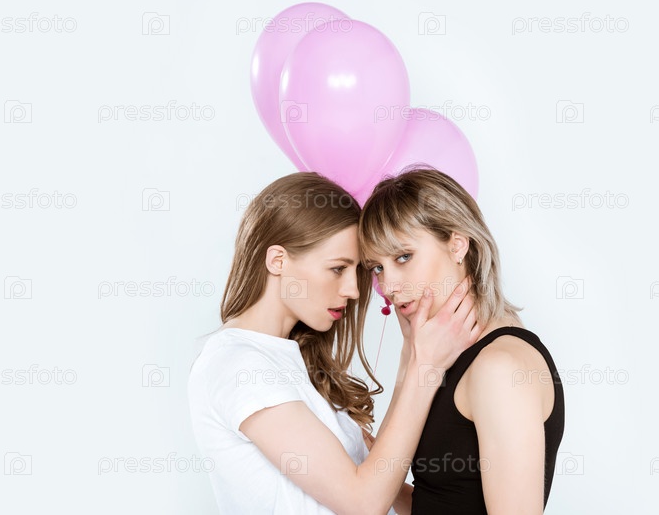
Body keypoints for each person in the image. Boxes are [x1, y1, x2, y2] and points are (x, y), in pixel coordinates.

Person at [188, 172, 485, 514]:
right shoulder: (238, 365)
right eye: (337, 269)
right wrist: (426, 368)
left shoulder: (290, 362)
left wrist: (410, 353)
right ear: (278, 260)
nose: (354, 291)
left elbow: (379, 482)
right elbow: (363, 502)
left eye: (359, 271)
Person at [359, 167, 566, 514]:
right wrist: (410, 355)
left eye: (403, 257)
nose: (388, 286)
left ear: (457, 245)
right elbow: (439, 503)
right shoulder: (443, 354)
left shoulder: (500, 367)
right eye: (377, 268)